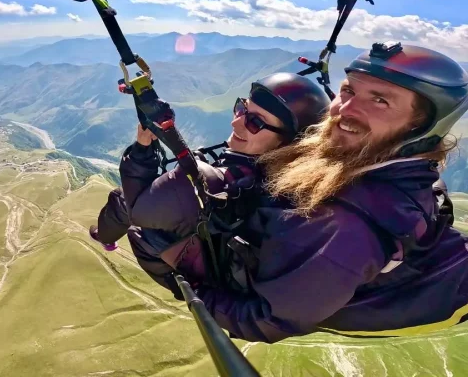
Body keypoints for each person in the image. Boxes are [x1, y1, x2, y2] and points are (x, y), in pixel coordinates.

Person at [141, 41, 468, 343]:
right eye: (348, 90)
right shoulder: (366, 154)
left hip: (292, 293)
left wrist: (187, 285)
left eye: (380, 100)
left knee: (148, 236)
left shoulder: (343, 228)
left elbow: (266, 320)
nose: (344, 110)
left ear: (421, 125)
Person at [89, 72, 331, 258]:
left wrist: (142, 149)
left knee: (121, 199)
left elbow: (137, 208)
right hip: (215, 230)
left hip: (183, 249)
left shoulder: (221, 182)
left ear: (289, 142)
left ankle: (105, 237)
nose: (236, 122)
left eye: (255, 122)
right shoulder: (283, 177)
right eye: (242, 108)